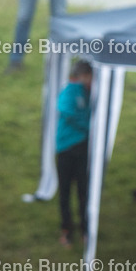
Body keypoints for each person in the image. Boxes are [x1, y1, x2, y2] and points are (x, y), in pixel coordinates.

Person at [55, 60, 91, 246]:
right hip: (67, 149)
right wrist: (87, 126)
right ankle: (66, 229)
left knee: (84, 191)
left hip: (82, 149)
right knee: (66, 191)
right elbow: (67, 111)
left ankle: (86, 229)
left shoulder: (90, 93)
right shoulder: (71, 91)